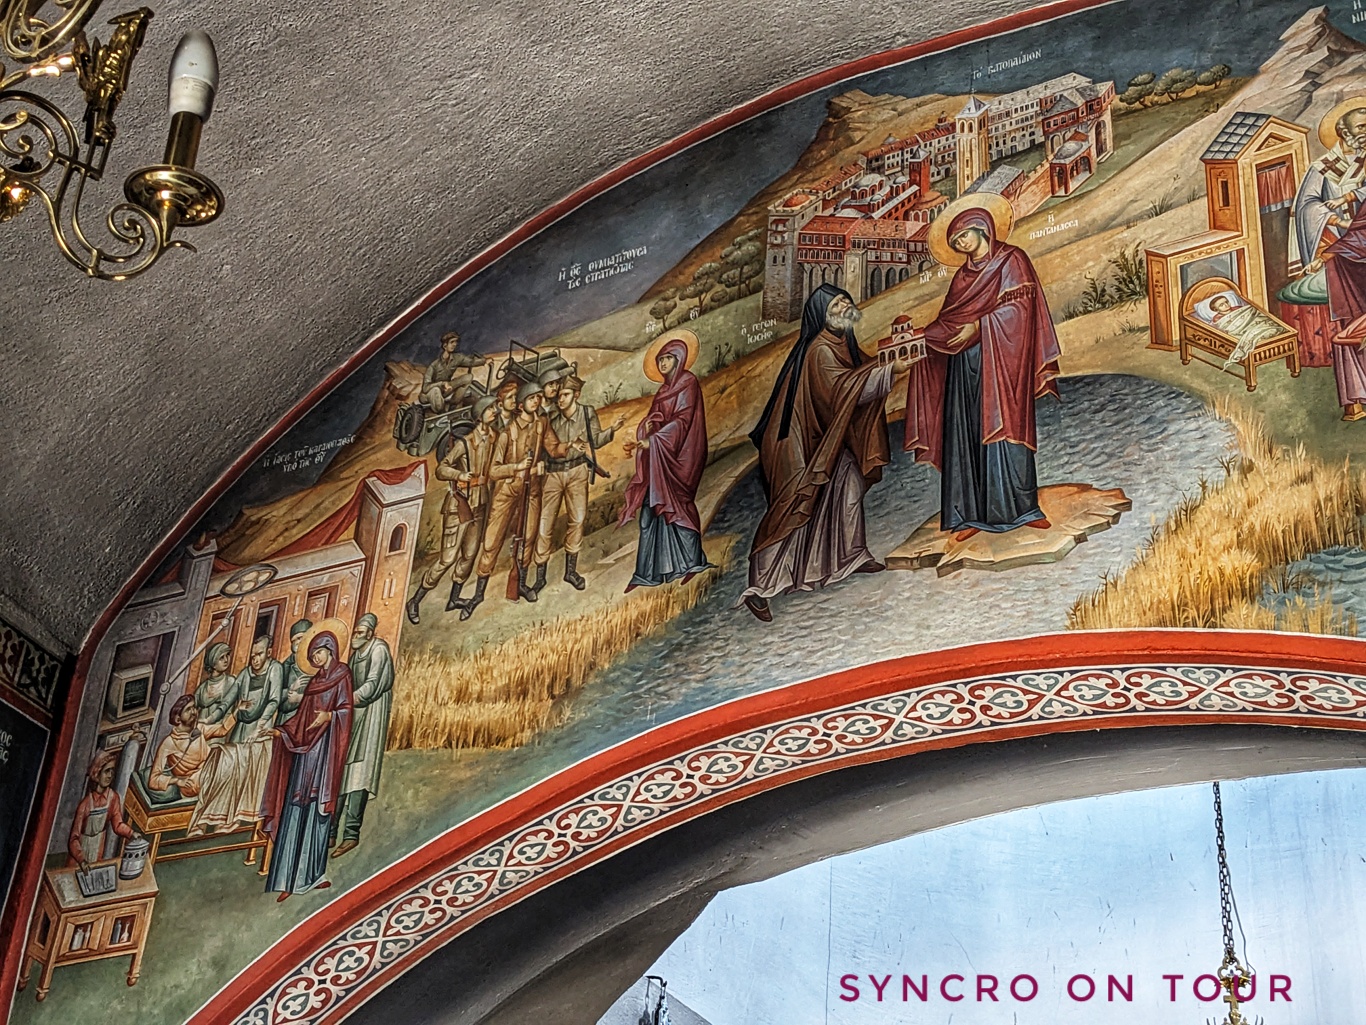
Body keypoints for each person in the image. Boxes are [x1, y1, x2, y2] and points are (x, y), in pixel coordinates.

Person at [738, 284, 910, 621]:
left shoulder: (843, 343)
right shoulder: (820, 350)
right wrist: (889, 371)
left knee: (848, 489)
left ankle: (850, 556)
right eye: (836, 305)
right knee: (794, 507)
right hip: (801, 448)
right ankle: (759, 587)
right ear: (822, 315)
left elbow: (858, 374)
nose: (845, 307)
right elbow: (840, 391)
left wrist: (888, 366)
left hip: (827, 441)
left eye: (846, 301)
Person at [904, 196, 1061, 542]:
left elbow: (1022, 310)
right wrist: (922, 338)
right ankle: (970, 516)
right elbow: (948, 322)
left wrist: (979, 326)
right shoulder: (962, 276)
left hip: (1003, 363)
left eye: (963, 235)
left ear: (981, 228)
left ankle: (1023, 510)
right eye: (955, 241)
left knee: (1005, 431)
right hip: (965, 367)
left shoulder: (1012, 260)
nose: (961, 243)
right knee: (967, 435)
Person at [261, 627, 353, 901]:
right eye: (312, 655)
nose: (315, 658)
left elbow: (347, 710)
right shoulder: (313, 683)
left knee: (317, 811)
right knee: (295, 809)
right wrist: (282, 732)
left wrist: (330, 717)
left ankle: (313, 876)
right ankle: (286, 879)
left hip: (326, 754)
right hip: (304, 756)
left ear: (330, 650)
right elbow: (301, 719)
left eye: (319, 653)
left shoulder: (342, 675)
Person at [1291, 101, 1366, 421]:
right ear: (1343, 132)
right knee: (1349, 324)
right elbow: (1306, 208)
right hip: (1340, 252)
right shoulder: (1321, 169)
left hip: (1361, 244)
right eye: (1361, 127)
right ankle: (1354, 400)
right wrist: (1338, 222)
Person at [619, 333, 712, 590]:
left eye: (667, 359)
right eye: (660, 360)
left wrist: (654, 440)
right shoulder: (662, 391)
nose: (662, 364)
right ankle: (647, 573)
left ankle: (692, 562)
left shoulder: (688, 383)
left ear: (679, 359)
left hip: (680, 459)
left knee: (677, 509)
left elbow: (683, 422)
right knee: (649, 513)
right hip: (659, 460)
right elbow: (655, 419)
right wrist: (648, 428)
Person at [466, 382, 569, 613]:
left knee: (528, 538)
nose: (537, 401)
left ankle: (520, 584)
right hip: (506, 493)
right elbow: (494, 471)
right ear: (521, 405)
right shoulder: (507, 433)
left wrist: (571, 446)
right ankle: (478, 594)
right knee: (491, 543)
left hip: (531, 491)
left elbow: (554, 448)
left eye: (538, 397)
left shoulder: (542, 425)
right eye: (532, 398)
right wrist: (518, 467)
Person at [407, 396, 500, 623]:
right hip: (460, 506)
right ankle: (415, 601)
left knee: (469, 555)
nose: (494, 412)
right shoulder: (465, 443)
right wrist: (460, 475)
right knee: (447, 559)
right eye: (490, 409)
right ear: (479, 416)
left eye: (494, 408)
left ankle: (454, 598)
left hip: (481, 503)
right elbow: (442, 469)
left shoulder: (495, 439)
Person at [534, 372, 626, 592]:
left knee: (577, 520)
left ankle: (570, 572)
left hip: (577, 471)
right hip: (553, 474)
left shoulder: (587, 413)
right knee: (545, 524)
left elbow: (595, 440)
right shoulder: (550, 416)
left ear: (576, 395)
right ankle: (540, 577)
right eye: (559, 395)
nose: (561, 399)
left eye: (565, 395)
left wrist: (612, 429)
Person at [188, 635, 282, 836]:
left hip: (261, 735)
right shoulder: (245, 674)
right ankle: (211, 818)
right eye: (252, 655)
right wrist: (209, 720)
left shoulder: (275, 669)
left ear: (268, 653)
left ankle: (233, 818)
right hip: (240, 731)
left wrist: (260, 726)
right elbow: (227, 702)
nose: (254, 659)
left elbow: (274, 701)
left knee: (242, 770)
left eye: (259, 655)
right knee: (225, 768)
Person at [331, 614, 395, 858]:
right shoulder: (356, 654)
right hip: (354, 715)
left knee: (360, 773)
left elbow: (373, 683)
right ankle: (331, 831)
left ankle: (351, 833)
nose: (355, 637)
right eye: (355, 632)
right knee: (343, 772)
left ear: (370, 633)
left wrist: (348, 700)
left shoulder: (378, 649)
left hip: (371, 718)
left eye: (360, 632)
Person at [148, 695, 234, 800]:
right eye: (188, 710)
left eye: (194, 708)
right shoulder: (169, 743)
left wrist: (236, 713)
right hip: (191, 783)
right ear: (178, 719)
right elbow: (153, 780)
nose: (193, 712)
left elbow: (222, 730)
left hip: (208, 769)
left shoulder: (198, 729)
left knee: (231, 753)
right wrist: (177, 781)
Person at [67, 750, 136, 870]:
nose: (110, 776)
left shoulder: (113, 798)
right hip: (81, 851)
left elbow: (118, 825)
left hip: (98, 846)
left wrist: (131, 833)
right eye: (106, 771)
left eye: (112, 771)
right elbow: (74, 838)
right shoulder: (85, 804)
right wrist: (81, 859)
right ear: (97, 773)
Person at [421, 330, 490, 412]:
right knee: (436, 390)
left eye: (456, 342)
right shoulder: (434, 365)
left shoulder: (457, 358)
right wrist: (442, 384)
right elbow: (425, 388)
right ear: (445, 346)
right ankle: (442, 413)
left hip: (446, 390)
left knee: (468, 377)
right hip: (429, 394)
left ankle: (453, 405)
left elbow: (471, 362)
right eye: (452, 342)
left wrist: (484, 361)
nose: (455, 344)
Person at [194, 642, 238, 729]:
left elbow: (226, 705)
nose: (226, 660)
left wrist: (209, 720)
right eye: (221, 657)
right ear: (213, 662)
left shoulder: (230, 681)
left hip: (219, 729)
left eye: (227, 655)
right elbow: (193, 707)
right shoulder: (202, 688)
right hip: (201, 729)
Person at [277, 618, 312, 725]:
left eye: (300, 638)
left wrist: (299, 698)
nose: (297, 642)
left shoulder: (318, 664)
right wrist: (290, 689)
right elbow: (275, 696)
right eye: (294, 640)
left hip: (308, 719)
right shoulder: (285, 667)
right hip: (286, 719)